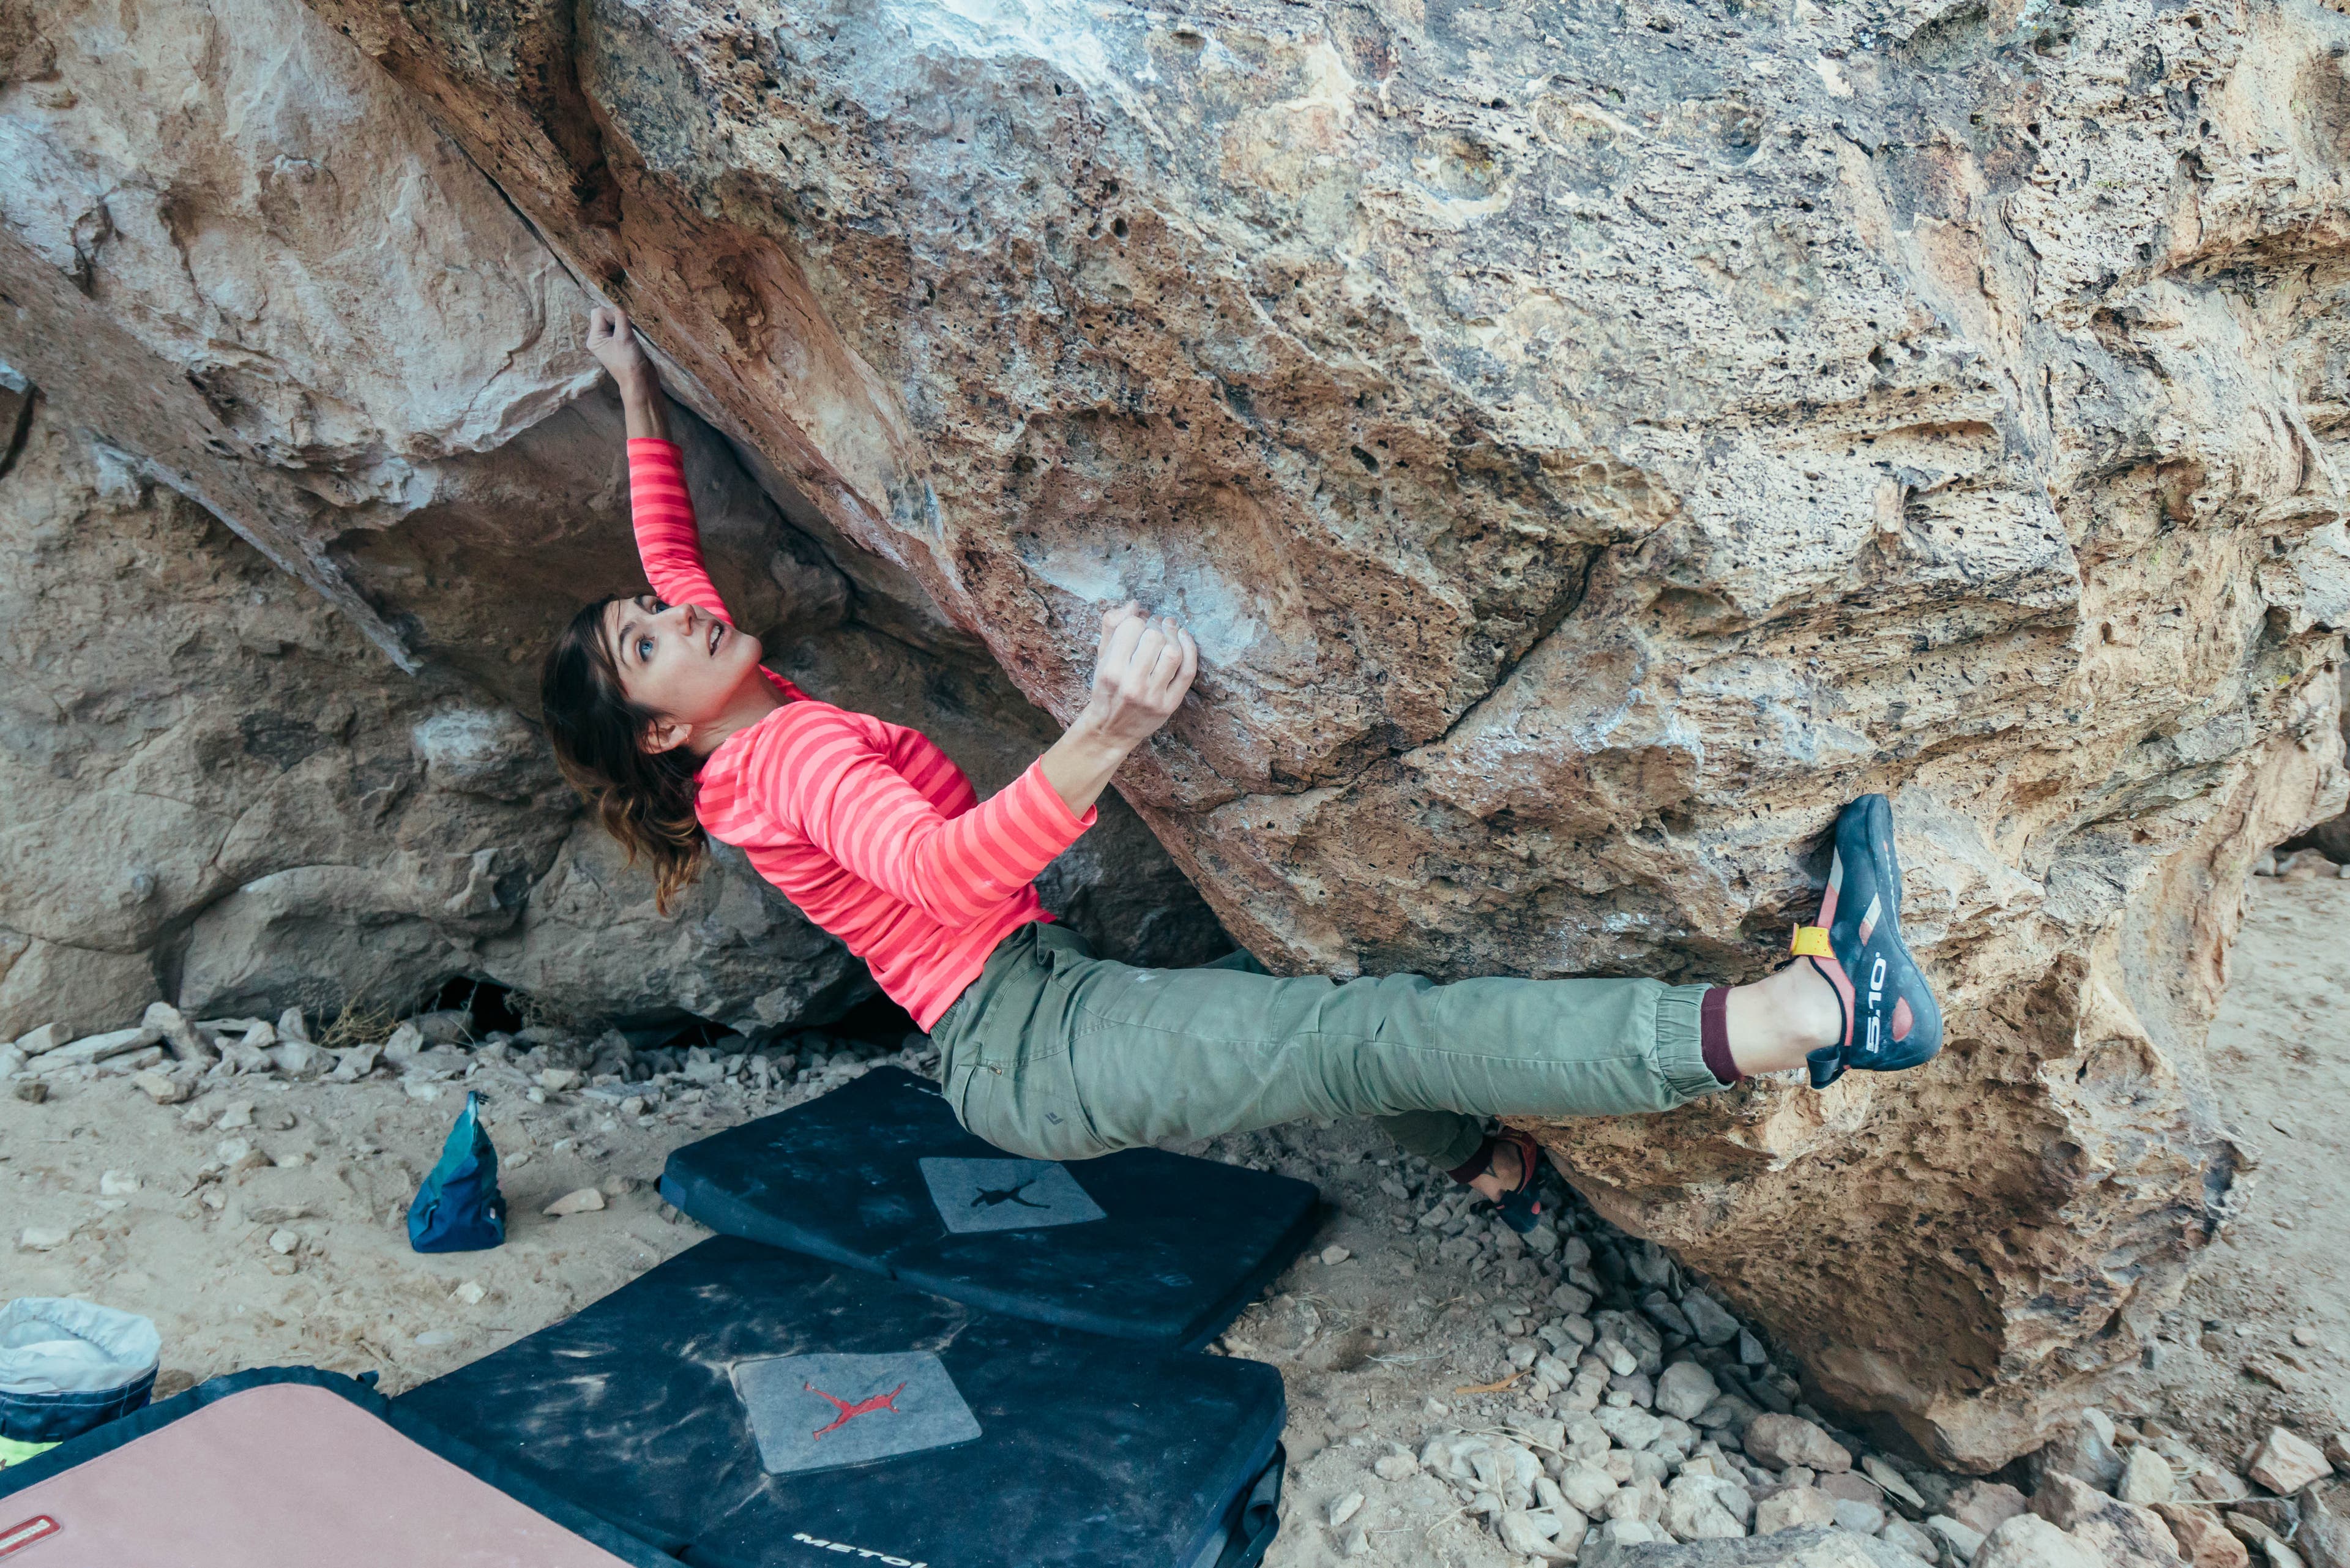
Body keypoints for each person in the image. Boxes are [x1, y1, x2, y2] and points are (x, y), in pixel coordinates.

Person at [541, 308, 1944, 1234]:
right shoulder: (784, 755)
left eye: (651, 613)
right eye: (648, 647)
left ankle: (1478, 1158)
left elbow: (666, 549)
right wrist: (1110, 726)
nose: (675, 612)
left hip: (1033, 1003)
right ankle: (1812, 1010)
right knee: (1366, 1032)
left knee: (1306, 1015)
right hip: (1028, 1050)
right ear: (662, 726)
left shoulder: (724, 714)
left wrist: (634, 388)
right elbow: (937, 869)